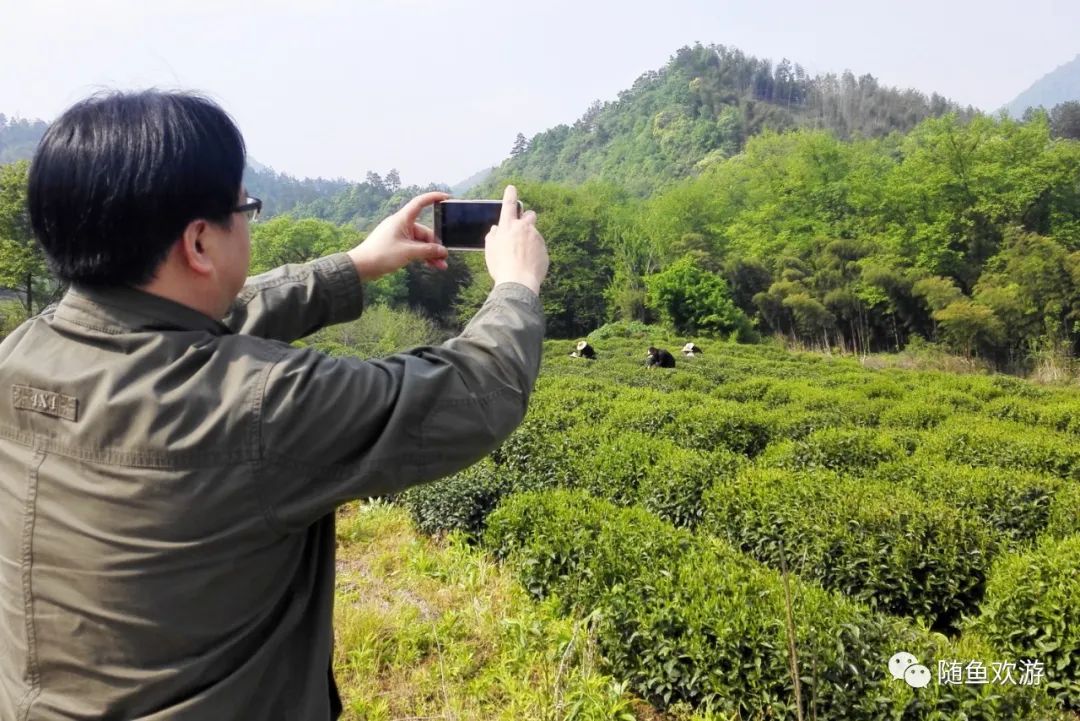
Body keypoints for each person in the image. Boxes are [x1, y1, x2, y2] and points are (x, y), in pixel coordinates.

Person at [0, 90, 549, 720]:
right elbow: (474, 391)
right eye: (246, 208)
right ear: (200, 243)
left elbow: (197, 319)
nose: (249, 224)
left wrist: (357, 265)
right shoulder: (265, 404)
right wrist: (516, 284)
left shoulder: (24, 352)